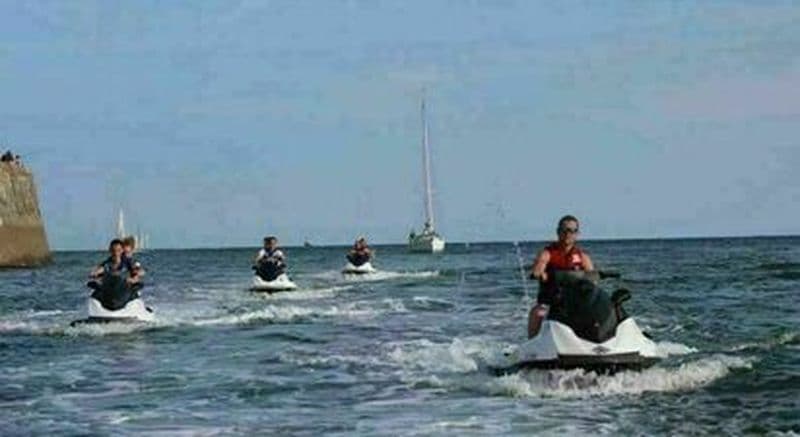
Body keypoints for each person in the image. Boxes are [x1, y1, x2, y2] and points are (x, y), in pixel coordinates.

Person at [527, 215, 595, 338]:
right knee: (538, 312)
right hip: (551, 300)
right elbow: (538, 269)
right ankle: (531, 344)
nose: (568, 234)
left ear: (577, 234)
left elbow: (592, 277)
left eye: (572, 231)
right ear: (558, 232)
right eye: (565, 230)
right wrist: (540, 274)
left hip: (575, 300)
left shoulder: (583, 257)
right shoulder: (547, 253)